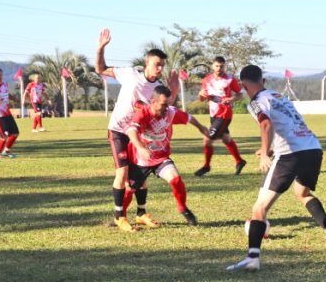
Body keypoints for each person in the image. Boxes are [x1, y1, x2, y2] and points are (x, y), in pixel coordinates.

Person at [227, 65, 326, 271]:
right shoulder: (279, 95)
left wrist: (265, 153)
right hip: (313, 148)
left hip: (291, 154)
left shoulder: (256, 102)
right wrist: (270, 148)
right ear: (262, 81)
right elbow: (286, 124)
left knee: (259, 208)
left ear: (244, 85)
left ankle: (252, 258)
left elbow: (266, 125)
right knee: (303, 193)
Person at [95, 29, 182, 232]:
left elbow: (166, 107)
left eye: (162, 65)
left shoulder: (159, 87)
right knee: (122, 172)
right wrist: (100, 48)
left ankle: (141, 213)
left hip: (140, 135)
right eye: (156, 64)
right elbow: (100, 68)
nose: (159, 69)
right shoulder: (129, 74)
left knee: (140, 176)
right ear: (147, 62)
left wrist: (174, 89)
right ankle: (119, 217)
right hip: (119, 131)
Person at [122, 86, 210, 229]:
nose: (166, 108)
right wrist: (140, 147)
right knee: (130, 189)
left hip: (161, 158)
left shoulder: (170, 112)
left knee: (176, 179)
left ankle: (183, 209)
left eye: (168, 104)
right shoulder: (143, 114)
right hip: (141, 159)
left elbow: (188, 117)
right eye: (163, 104)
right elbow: (132, 131)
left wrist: (200, 127)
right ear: (153, 102)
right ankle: (121, 217)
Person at [194, 56, 247, 176]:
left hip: (224, 113)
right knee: (226, 138)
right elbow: (202, 98)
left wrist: (231, 98)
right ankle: (239, 161)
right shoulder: (207, 80)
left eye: (221, 66)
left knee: (207, 139)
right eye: (217, 66)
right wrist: (200, 94)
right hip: (213, 113)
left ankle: (206, 166)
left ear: (225, 66)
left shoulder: (230, 79)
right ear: (212, 66)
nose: (219, 68)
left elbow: (240, 95)